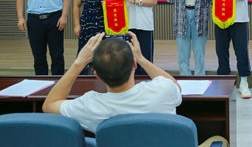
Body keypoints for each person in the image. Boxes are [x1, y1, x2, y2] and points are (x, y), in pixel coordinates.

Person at [42, 32, 182, 133]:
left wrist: (78, 63)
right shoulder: (163, 90)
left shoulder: (90, 105)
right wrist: (141, 58)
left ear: (97, 75)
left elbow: (49, 105)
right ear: (134, 64)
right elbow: (175, 86)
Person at [167, 0, 212, 76]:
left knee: (199, 52)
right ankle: (185, 77)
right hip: (182, 18)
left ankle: (200, 78)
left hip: (200, 18)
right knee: (183, 53)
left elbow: (211, 0)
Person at [72, 0, 118, 74]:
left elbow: (120, 4)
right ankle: (84, 77)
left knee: (107, 52)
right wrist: (77, 25)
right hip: (87, 23)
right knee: (86, 50)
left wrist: (109, 4)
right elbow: (76, 6)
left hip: (107, 24)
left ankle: (107, 76)